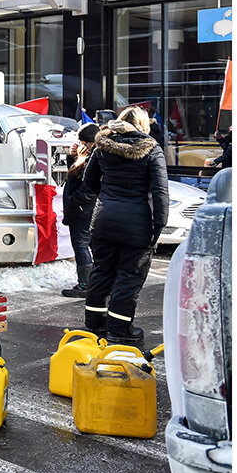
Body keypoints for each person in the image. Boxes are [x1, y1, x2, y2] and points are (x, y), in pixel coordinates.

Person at [81, 106, 169, 345]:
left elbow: (89, 182)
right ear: (143, 125)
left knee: (101, 272)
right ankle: (120, 330)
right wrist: (159, 225)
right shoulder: (152, 150)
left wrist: (109, 200)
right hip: (138, 225)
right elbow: (160, 192)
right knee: (129, 277)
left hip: (104, 221)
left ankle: (94, 325)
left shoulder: (102, 147)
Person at [60, 122, 100, 298]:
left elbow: (82, 182)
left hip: (83, 208)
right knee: (90, 244)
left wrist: (74, 201)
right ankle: (96, 282)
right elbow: (75, 174)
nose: (80, 144)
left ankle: (85, 284)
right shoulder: (92, 155)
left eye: (83, 141)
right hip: (85, 207)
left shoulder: (94, 157)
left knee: (81, 244)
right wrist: (73, 157)